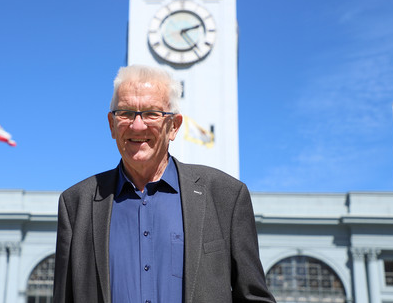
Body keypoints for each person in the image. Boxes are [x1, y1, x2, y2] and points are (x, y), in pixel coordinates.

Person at [53, 64, 275, 303]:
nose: (137, 125)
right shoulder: (76, 204)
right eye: (126, 113)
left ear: (174, 126)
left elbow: (254, 297)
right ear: (112, 125)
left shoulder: (226, 196)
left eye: (151, 113)